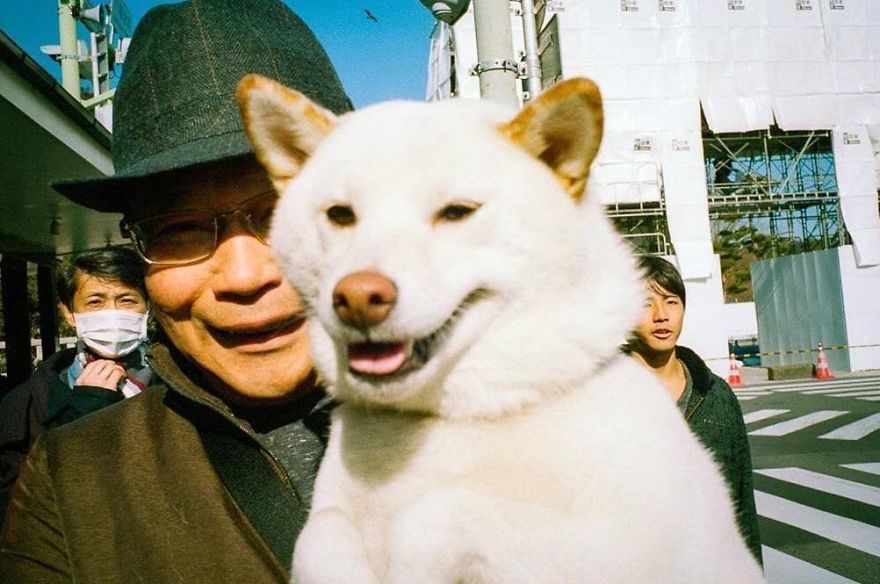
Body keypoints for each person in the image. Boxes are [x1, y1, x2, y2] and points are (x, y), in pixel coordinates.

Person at [0, 1, 352, 582]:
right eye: (179, 230)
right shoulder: (70, 483)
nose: (244, 274)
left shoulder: (535, 421)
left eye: (288, 211)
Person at [625, 255, 763, 565]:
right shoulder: (595, 397)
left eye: (671, 302)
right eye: (646, 303)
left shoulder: (715, 395)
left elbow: (740, 502)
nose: (661, 315)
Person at [0, 246, 151, 523]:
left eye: (127, 300)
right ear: (69, 313)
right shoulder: (25, 403)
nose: (113, 313)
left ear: (148, 307)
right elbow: (19, 510)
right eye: (95, 302)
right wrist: (80, 415)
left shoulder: (184, 384)